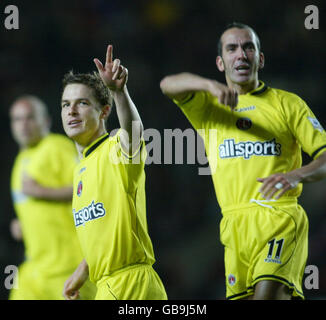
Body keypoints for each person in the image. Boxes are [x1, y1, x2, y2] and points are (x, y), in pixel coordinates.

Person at [160, 22, 326, 300]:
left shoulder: (287, 103)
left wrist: (296, 175)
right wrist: (208, 85)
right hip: (234, 227)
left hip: (279, 218)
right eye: (232, 48)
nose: (241, 54)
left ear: (260, 58)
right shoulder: (208, 108)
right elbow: (167, 84)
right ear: (220, 62)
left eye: (249, 47)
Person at [61, 44, 167, 300]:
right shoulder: (81, 169)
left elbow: (133, 133)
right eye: (65, 105)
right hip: (108, 287)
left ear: (104, 111)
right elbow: (106, 230)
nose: (71, 111)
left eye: (82, 103)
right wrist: (84, 269)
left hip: (132, 284)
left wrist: (119, 92)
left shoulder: (115, 148)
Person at [9, 95, 96, 300]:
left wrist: (40, 192)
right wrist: (23, 223)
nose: (23, 125)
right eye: (17, 119)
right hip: (34, 269)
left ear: (46, 121)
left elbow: (88, 189)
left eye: (30, 117)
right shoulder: (21, 159)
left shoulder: (56, 146)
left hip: (67, 267)